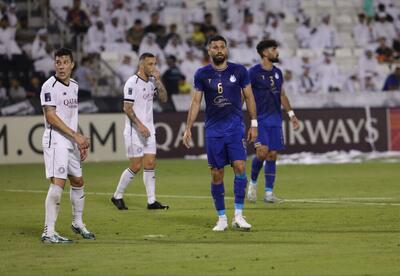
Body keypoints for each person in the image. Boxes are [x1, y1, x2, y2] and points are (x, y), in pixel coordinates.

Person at [182, 35, 258, 231]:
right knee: (217, 174)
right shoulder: (201, 74)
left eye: (222, 47)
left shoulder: (239, 71)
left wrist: (254, 123)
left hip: (235, 129)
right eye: (214, 47)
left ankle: (239, 215)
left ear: (227, 50)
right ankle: (222, 218)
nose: (218, 50)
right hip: (214, 131)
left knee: (240, 167)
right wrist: (188, 127)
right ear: (209, 51)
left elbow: (249, 97)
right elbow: (196, 102)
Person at [40, 48, 94, 243]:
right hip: (56, 140)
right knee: (58, 184)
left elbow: (71, 116)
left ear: (72, 64)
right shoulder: (49, 86)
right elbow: (51, 116)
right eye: (58, 62)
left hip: (70, 141)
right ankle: (49, 231)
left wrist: (79, 140)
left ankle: (77, 222)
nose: (61, 66)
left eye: (65, 62)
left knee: (78, 181)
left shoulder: (74, 85)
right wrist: (76, 136)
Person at [111, 53, 169, 211]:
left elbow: (163, 98)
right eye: (150, 64)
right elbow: (127, 108)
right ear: (141, 65)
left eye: (155, 64)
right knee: (136, 166)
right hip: (134, 131)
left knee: (150, 163)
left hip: (149, 130)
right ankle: (117, 196)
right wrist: (140, 125)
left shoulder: (152, 82)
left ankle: (152, 201)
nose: (153, 67)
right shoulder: (131, 83)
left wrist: (158, 81)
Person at [247, 40, 300, 204]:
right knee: (262, 153)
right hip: (260, 120)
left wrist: (291, 114)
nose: (277, 52)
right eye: (274, 49)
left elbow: (282, 95)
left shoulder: (278, 72)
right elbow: (245, 96)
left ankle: (269, 193)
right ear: (264, 53)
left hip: (275, 120)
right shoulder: (253, 73)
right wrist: (250, 121)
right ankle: (253, 184)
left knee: (272, 154)